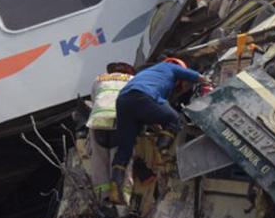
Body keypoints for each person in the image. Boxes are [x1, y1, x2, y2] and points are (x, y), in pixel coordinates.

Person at [111, 58, 207, 198]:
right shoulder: (170, 67)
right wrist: (207, 81)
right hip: (143, 95)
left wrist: (159, 129)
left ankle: (115, 185)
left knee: (125, 148)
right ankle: (162, 149)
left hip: (123, 101)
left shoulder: (147, 74)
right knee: (174, 119)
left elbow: (150, 114)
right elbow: (193, 75)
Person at [85, 62, 135, 200]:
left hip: (97, 120)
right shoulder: (132, 79)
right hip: (118, 119)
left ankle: (103, 196)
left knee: (99, 160)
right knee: (120, 158)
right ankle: (122, 198)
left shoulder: (99, 79)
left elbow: (94, 99)